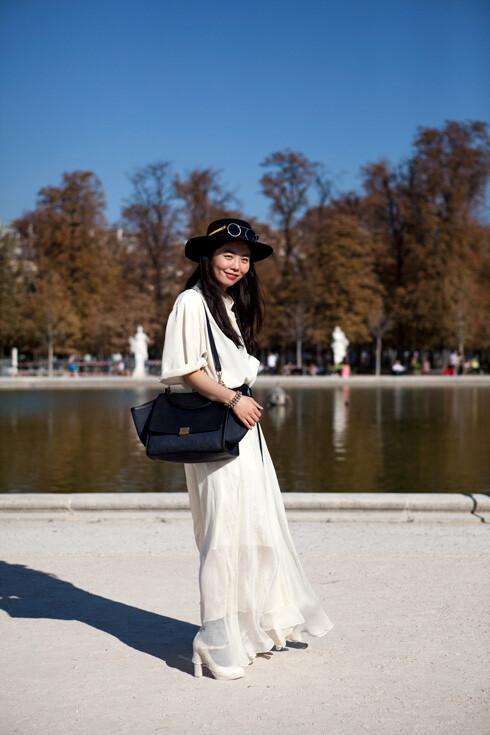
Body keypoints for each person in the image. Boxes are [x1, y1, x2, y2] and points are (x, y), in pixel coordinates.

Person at [159, 219, 333, 681]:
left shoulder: (230, 306)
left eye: (244, 258)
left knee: (252, 530)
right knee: (221, 537)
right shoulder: (191, 303)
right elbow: (185, 369)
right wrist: (234, 398)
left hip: (241, 428)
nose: (236, 265)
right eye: (227, 255)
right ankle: (215, 643)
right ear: (207, 256)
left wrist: (240, 403)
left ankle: (245, 631)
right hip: (220, 424)